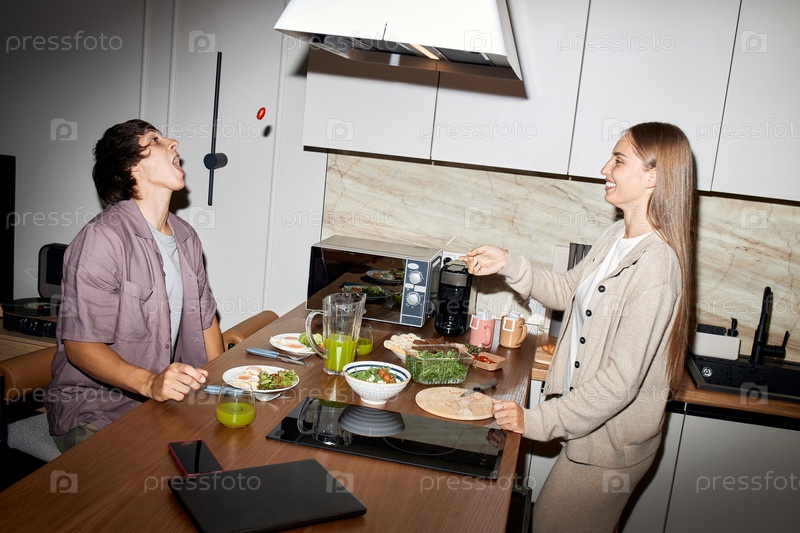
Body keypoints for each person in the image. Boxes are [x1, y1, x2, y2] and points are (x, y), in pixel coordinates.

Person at [463, 122, 696, 532]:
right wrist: (508, 263)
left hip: (610, 447)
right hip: (589, 430)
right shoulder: (615, 236)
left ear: (653, 177)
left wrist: (536, 421)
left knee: (550, 522)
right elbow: (566, 290)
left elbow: (620, 382)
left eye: (618, 160)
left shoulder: (657, 266)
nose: (605, 168)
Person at [45, 119, 224, 452]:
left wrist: (223, 389)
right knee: (147, 480)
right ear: (130, 167)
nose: (173, 142)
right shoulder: (102, 239)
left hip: (160, 407)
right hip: (96, 413)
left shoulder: (186, 237)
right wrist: (151, 383)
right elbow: (80, 347)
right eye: (154, 139)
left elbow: (205, 322)